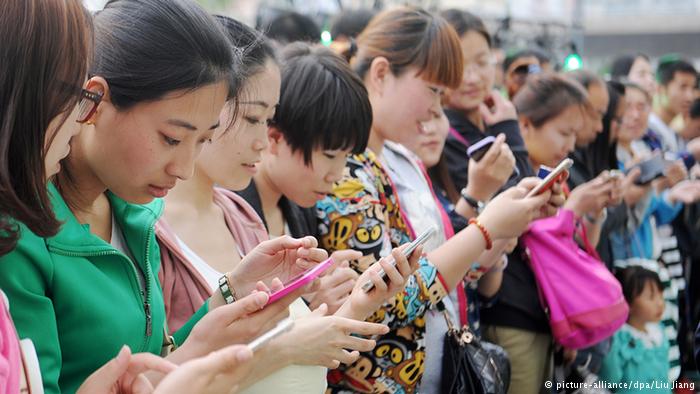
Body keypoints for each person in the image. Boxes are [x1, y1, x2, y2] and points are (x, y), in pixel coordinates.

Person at [0, 1, 327, 392]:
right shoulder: (19, 235)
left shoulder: (136, 217)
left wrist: (226, 297)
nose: (184, 168)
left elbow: (152, 364)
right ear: (96, 101)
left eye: (202, 140)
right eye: (171, 138)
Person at [320, 7, 561, 393]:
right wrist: (486, 228)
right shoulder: (342, 168)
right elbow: (383, 302)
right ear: (381, 74)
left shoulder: (402, 159)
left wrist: (506, 223)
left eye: (442, 95)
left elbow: (448, 276)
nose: (437, 108)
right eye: (432, 90)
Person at [157, 21, 407, 392]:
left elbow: (297, 350)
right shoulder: (148, 229)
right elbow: (166, 373)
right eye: (254, 119)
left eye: (269, 119)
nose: (263, 141)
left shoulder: (240, 216)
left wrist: (354, 302)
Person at [599, 266, 670, 393]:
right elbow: (609, 379)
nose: (660, 303)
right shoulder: (618, 338)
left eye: (661, 295)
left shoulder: (659, 334)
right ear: (626, 302)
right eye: (651, 297)